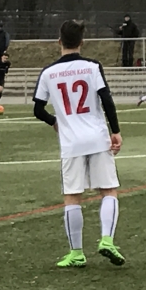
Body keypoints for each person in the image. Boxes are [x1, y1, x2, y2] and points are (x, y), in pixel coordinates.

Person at [33, 20, 125, 268]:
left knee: (72, 196)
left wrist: (55, 122)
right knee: (108, 190)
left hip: (71, 142)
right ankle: (107, 239)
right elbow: (106, 99)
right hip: (97, 137)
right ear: (82, 42)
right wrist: (115, 131)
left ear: (59, 41)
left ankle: (76, 253)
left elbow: (37, 109)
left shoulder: (49, 73)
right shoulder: (92, 66)